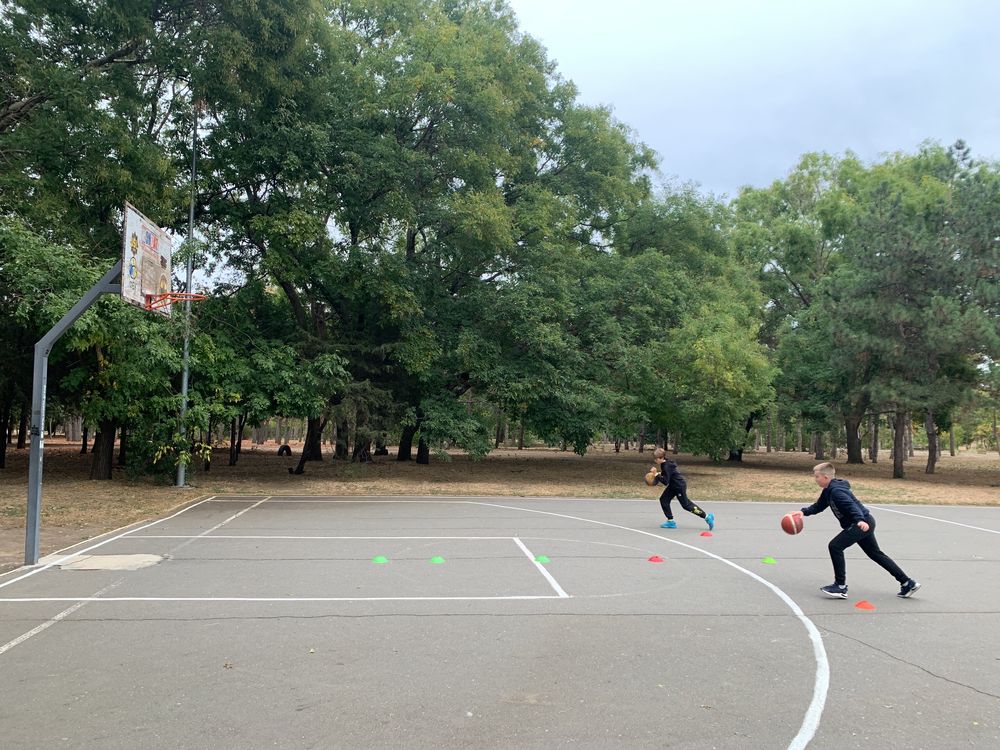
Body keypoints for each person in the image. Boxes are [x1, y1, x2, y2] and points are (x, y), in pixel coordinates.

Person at [799, 462, 920, 599]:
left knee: (835, 546)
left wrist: (859, 520)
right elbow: (818, 506)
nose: (815, 479)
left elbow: (851, 506)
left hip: (861, 523)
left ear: (825, 477)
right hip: (864, 522)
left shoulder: (837, 491)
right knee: (875, 554)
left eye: (817, 477)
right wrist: (803, 512)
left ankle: (840, 586)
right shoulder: (828, 490)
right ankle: (907, 583)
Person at [650, 447, 714, 531]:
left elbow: (665, 481)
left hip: (679, 486)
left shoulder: (666, 465)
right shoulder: (665, 463)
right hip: (673, 485)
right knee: (664, 499)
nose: (655, 461)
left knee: (686, 505)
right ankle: (670, 521)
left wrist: (656, 475)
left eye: (656, 459)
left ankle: (706, 517)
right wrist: (659, 474)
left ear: (662, 458)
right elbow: (668, 474)